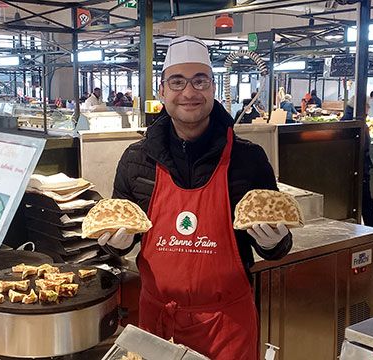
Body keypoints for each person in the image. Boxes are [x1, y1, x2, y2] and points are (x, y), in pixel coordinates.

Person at [103, 36, 292, 359]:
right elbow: (117, 232)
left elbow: (274, 247)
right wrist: (112, 244)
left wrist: (275, 241)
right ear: (162, 91)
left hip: (226, 328)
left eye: (199, 81)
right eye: (177, 82)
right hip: (157, 326)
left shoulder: (248, 160)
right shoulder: (136, 161)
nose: (189, 93)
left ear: (213, 88)